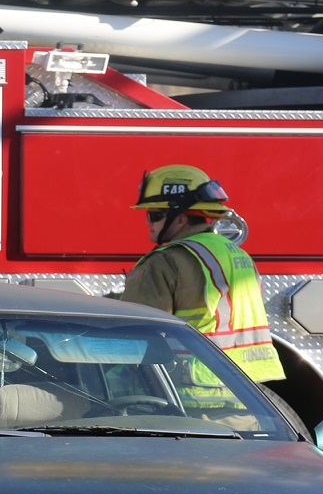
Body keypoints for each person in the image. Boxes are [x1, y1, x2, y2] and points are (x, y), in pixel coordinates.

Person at [121, 164, 286, 384]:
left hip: (191, 396)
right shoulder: (235, 252)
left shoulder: (165, 261)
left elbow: (136, 332)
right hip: (248, 393)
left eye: (155, 215)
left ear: (181, 218)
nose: (148, 222)